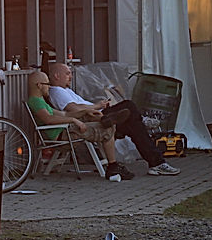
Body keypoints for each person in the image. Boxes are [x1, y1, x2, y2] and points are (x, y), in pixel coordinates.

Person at [44, 62, 181, 176]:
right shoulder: (56, 91)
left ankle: (156, 162)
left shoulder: (66, 90)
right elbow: (73, 110)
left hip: (98, 115)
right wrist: (98, 106)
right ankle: (156, 161)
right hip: (91, 120)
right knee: (129, 106)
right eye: (68, 73)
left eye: (71, 73)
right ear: (57, 76)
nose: (71, 76)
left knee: (134, 126)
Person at [25, 71, 135, 181]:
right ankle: (112, 165)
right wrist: (74, 120)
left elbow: (64, 114)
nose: (49, 87)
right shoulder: (35, 101)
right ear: (39, 85)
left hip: (65, 130)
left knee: (90, 117)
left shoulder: (40, 101)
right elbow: (49, 119)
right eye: (47, 84)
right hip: (63, 135)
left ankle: (105, 119)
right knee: (108, 128)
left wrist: (85, 112)